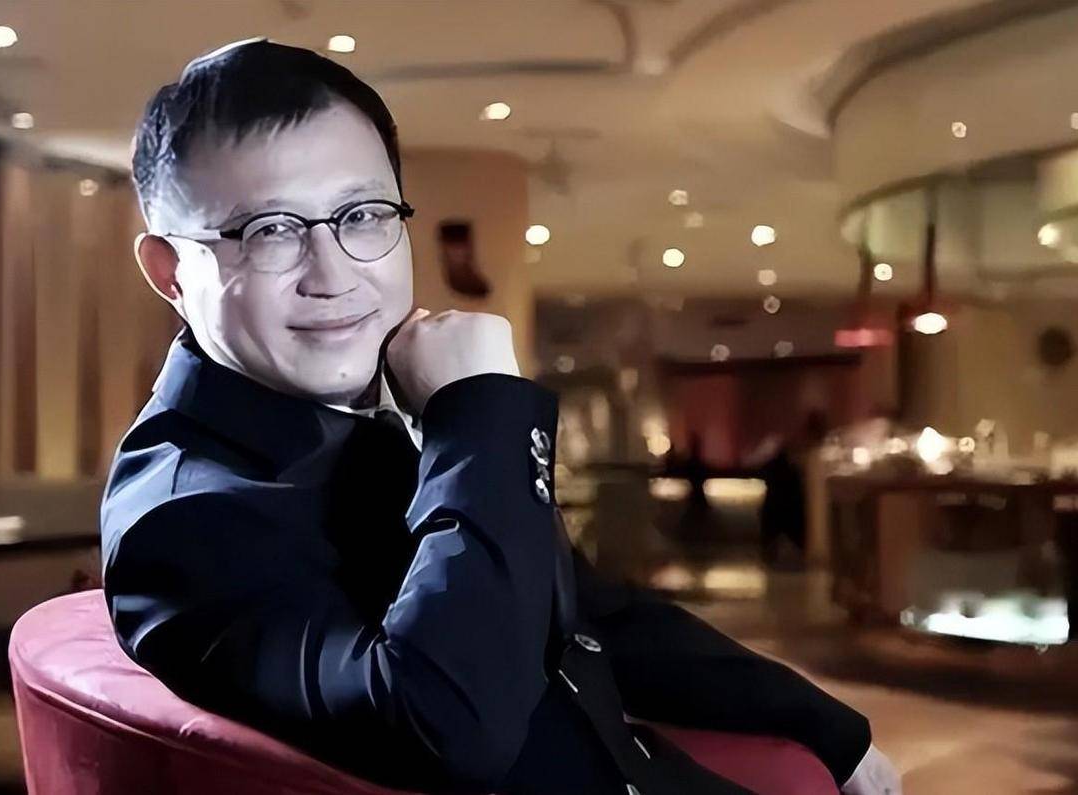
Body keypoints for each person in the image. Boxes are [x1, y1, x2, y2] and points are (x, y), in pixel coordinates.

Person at [101, 38, 900, 795]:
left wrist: (824, 725)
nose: (335, 274)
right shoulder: (181, 520)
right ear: (169, 271)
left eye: (364, 215)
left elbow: (586, 612)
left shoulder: (360, 413)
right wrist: (476, 414)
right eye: (271, 230)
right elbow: (445, 723)